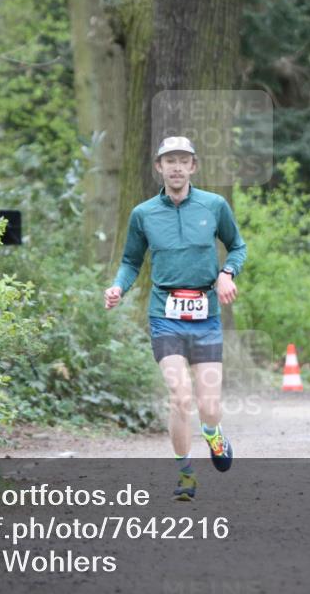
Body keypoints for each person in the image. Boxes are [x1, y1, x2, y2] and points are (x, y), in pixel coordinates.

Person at [104, 136, 247, 501]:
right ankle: (186, 474)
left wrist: (227, 273)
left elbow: (237, 246)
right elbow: (131, 261)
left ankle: (213, 433)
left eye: (184, 160)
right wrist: (119, 287)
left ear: (193, 166)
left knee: (209, 406)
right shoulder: (143, 214)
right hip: (164, 315)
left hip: (206, 315)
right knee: (180, 397)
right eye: (170, 161)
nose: (177, 167)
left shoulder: (214, 205)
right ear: (159, 167)